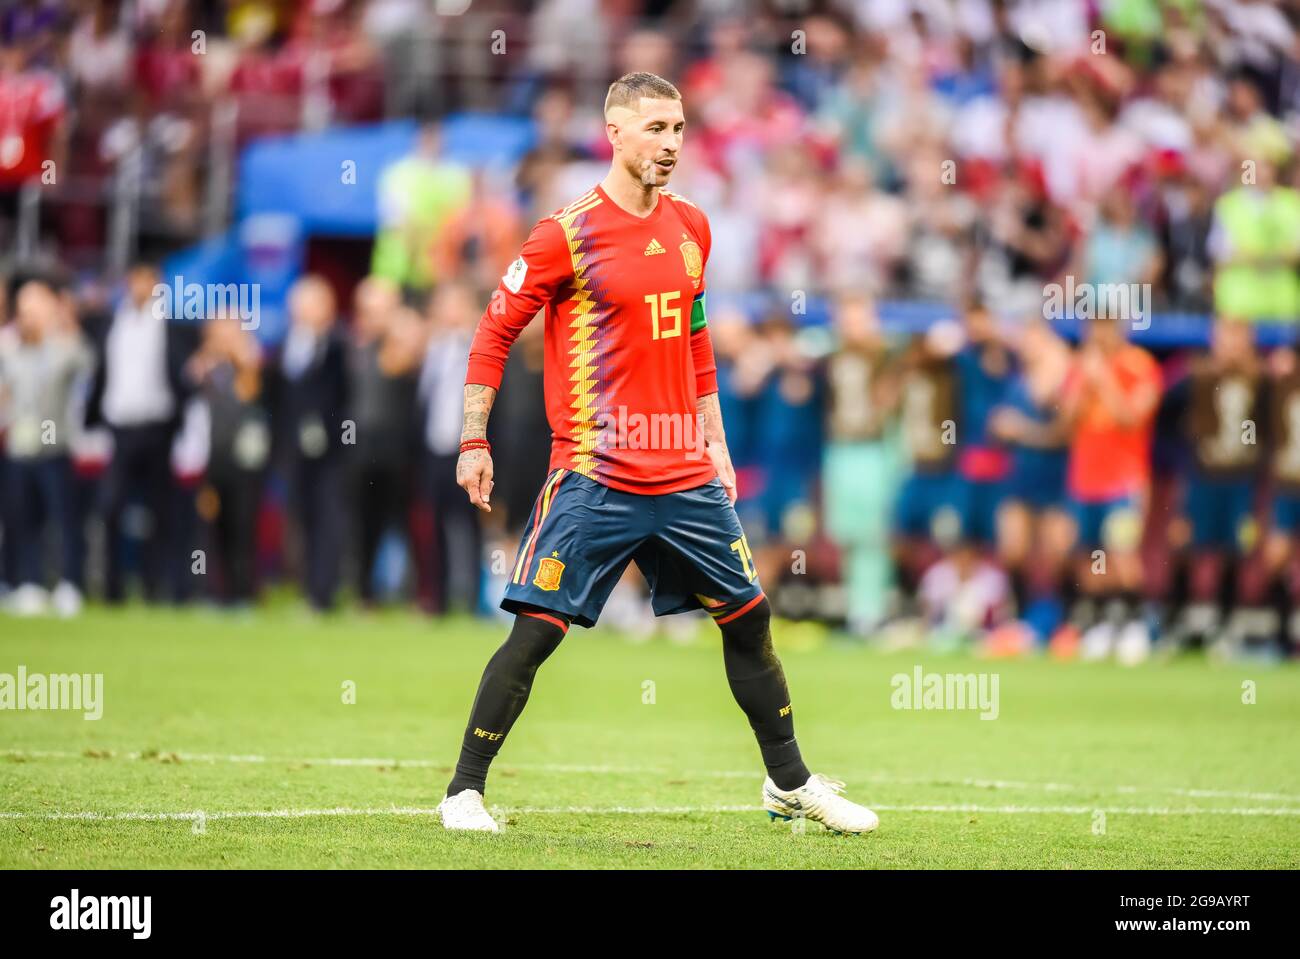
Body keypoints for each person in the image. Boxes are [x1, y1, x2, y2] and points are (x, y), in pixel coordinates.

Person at [439, 72, 878, 835]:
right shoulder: (565, 233)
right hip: (594, 472)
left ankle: (789, 782)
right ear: (613, 132)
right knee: (538, 629)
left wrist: (714, 437)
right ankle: (463, 791)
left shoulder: (692, 228)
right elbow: (493, 330)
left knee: (750, 619)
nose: (670, 144)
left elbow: (696, 336)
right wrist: (473, 438)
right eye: (654, 129)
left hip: (682, 471)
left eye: (678, 128)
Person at [1059, 312, 1162, 664]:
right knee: (1090, 559)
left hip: (1124, 480)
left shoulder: (1140, 366)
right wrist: (1083, 387)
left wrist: (1103, 381)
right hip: (1085, 479)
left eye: (1105, 325)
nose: (1098, 333)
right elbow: (1066, 424)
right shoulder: (1080, 367)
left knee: (1122, 555)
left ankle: (1135, 627)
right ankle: (1101, 624)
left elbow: (1132, 417)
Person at [0, 278, 93, 616]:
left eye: (34, 311)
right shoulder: (10, 350)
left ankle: (69, 582)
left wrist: (60, 325)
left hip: (53, 442)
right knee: (23, 518)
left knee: (62, 517)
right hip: (20, 445)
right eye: (23, 312)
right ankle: (31, 582)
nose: (28, 319)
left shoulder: (62, 347)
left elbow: (86, 367)